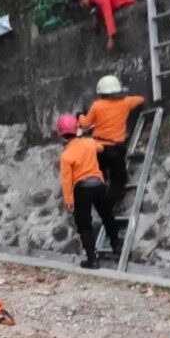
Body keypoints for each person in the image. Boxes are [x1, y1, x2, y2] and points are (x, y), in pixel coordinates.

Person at [57, 114, 120, 269]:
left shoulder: (66, 156)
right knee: (107, 215)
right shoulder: (90, 142)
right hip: (98, 185)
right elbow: (100, 148)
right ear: (77, 128)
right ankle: (116, 245)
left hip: (82, 189)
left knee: (84, 224)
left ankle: (92, 259)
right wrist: (85, 136)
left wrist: (69, 201)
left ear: (61, 134)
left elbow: (67, 180)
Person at [78, 75, 145, 207]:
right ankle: (109, 204)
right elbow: (141, 99)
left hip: (98, 147)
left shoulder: (97, 106)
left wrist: (80, 115)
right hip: (116, 148)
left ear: (101, 92)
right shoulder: (126, 102)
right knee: (118, 179)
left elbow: (85, 124)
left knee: (99, 172)